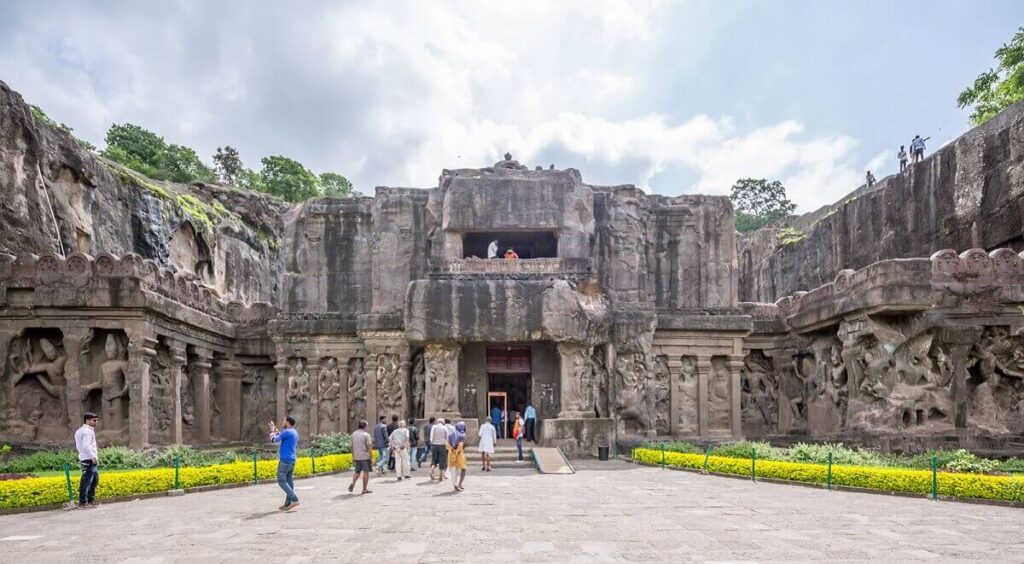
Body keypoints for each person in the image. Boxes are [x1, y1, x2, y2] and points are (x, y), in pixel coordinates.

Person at [269, 416, 300, 511]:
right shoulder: (294, 432)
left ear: (288, 422)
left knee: (281, 481)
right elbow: (284, 438)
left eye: (284, 420)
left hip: (285, 460)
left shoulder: (286, 432)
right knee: (289, 481)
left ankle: (294, 499)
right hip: (292, 460)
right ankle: (288, 504)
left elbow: (273, 440)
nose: (282, 422)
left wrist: (272, 431)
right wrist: (278, 432)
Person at [74, 412, 100, 509]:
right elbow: (86, 446)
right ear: (87, 420)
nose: (96, 422)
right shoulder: (87, 431)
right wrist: (93, 457)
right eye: (94, 420)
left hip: (86, 457)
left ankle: (90, 500)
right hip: (89, 459)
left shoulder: (81, 430)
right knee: (87, 481)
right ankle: (83, 502)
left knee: (94, 480)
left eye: (96, 420)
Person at [348, 419, 373, 494]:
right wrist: (371, 457)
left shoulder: (353, 434)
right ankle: (364, 489)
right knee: (366, 472)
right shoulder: (366, 435)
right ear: (365, 426)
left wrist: (353, 457)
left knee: (357, 471)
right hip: (365, 456)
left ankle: (353, 482)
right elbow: (369, 447)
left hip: (357, 456)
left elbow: (352, 447)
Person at [447, 421, 468, 491]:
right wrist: (457, 450)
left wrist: (452, 449)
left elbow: (447, 444)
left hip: (451, 454)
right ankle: (460, 483)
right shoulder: (462, 435)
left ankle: (455, 485)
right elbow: (461, 445)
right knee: (464, 469)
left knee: (453, 470)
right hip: (459, 454)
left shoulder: (451, 435)